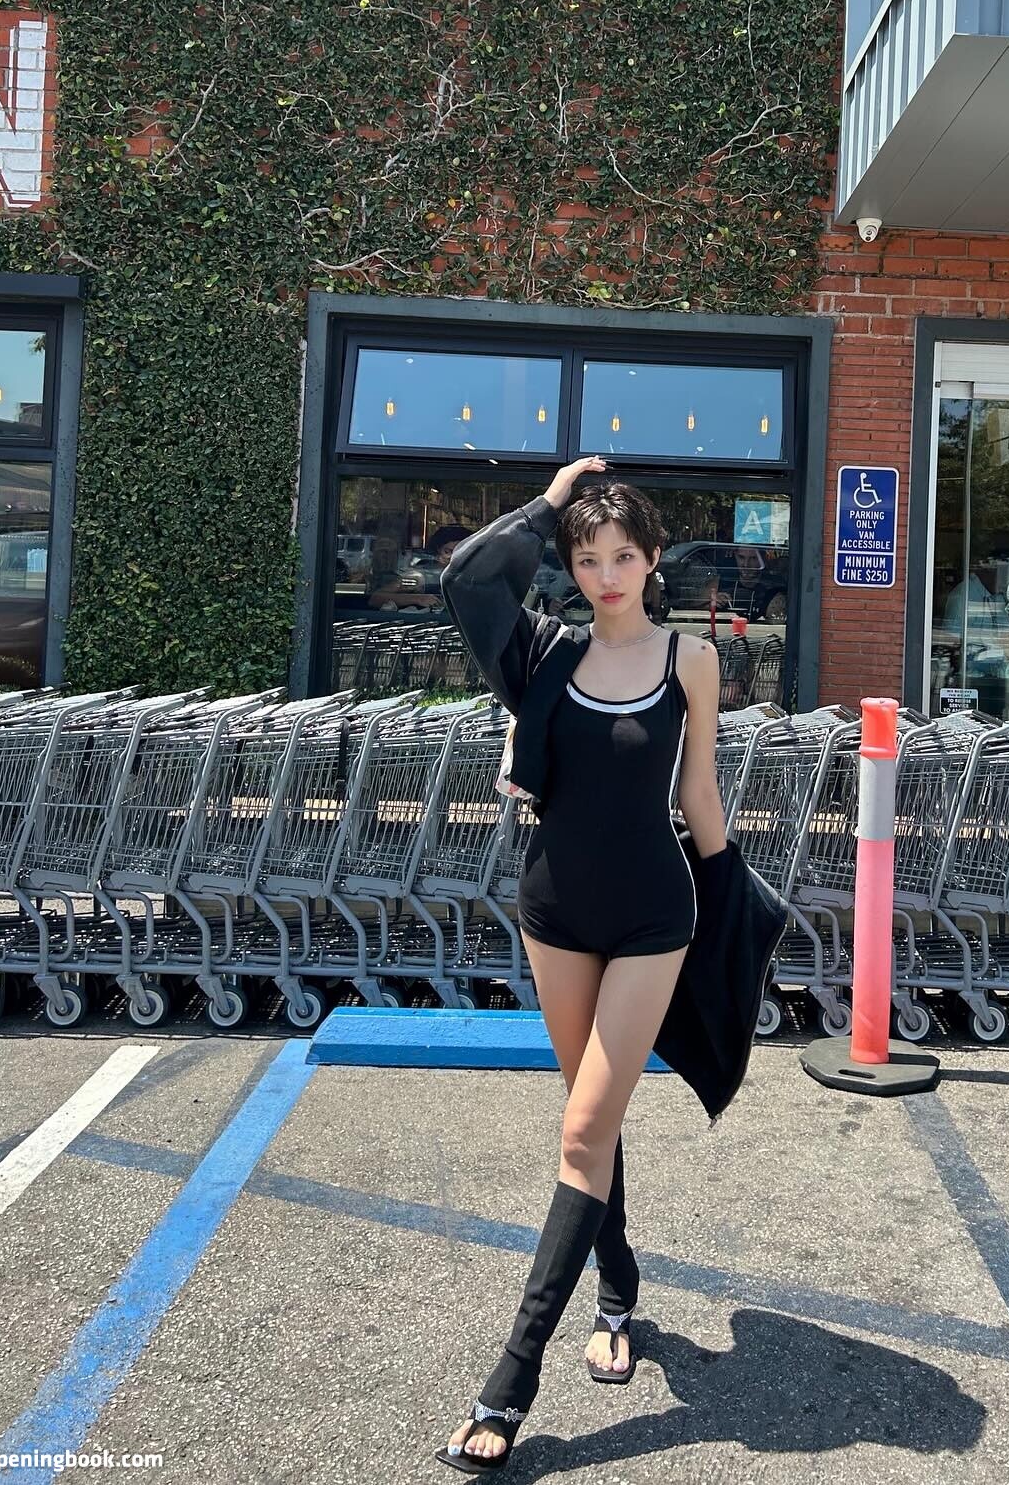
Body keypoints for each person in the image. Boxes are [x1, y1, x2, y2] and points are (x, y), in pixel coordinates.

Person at [435, 456, 786, 1474]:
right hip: (554, 912)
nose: (605, 575)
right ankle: (618, 1286)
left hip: (651, 919)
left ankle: (510, 1385)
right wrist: (550, 501)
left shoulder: (691, 659)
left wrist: (735, 909)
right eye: (586, 559)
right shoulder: (541, 653)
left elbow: (700, 794)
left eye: (623, 556)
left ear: (654, 558)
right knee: (595, 1112)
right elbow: (466, 577)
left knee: (585, 1124)